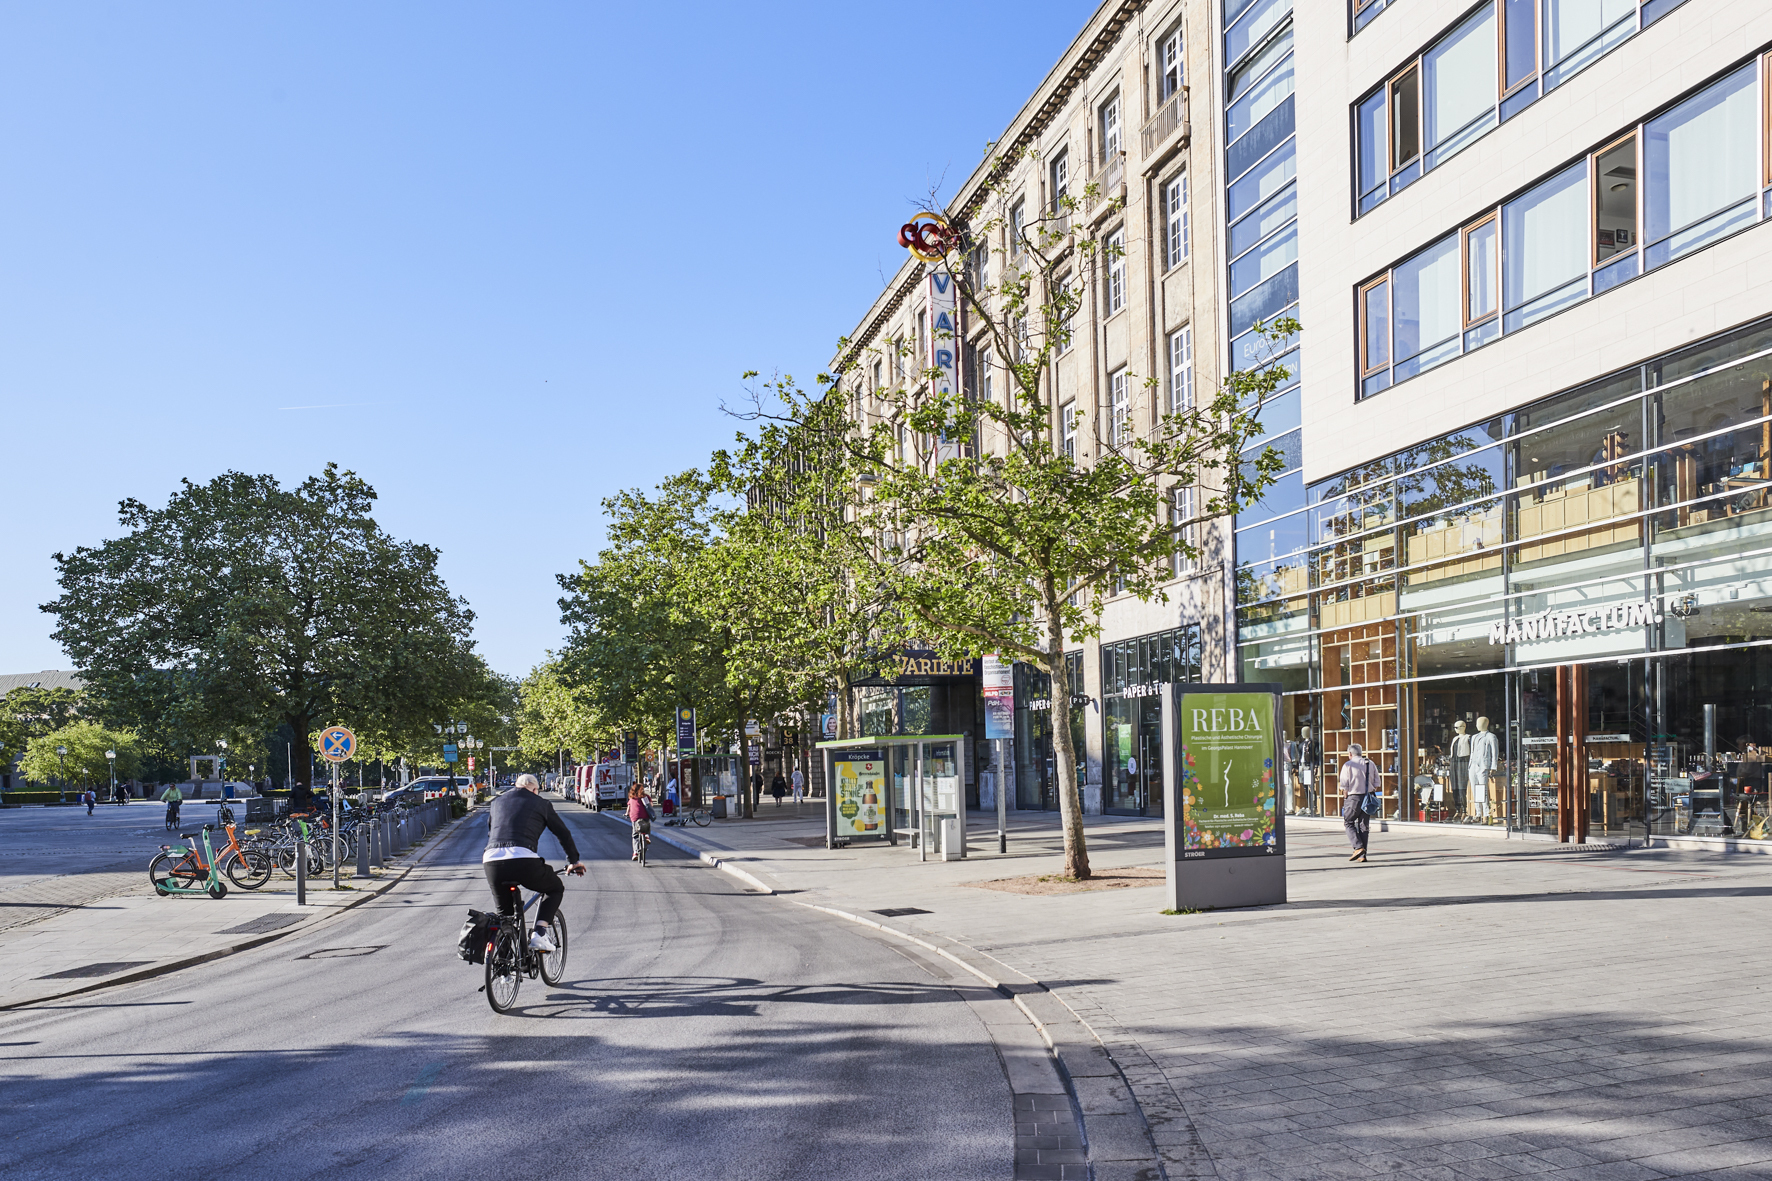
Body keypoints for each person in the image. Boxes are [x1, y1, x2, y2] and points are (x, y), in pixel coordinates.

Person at [483, 772, 585, 953]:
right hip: (523, 860)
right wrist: (573, 861)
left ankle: (502, 962)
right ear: (535, 790)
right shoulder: (541, 803)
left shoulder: (497, 802)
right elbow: (562, 833)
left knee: (504, 916)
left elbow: (491, 831)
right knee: (555, 888)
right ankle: (539, 932)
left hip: (492, 861)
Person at [1339, 744, 1379, 863]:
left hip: (1353, 797)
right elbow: (1377, 783)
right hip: (1368, 798)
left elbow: (1344, 785)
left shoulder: (1348, 765)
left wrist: (1345, 797)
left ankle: (1358, 847)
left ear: (1350, 754)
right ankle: (1362, 855)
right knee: (1363, 826)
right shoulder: (1370, 763)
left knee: (1348, 822)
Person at [626, 784, 653, 861]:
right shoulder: (646, 797)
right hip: (645, 817)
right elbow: (651, 805)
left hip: (635, 818)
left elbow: (628, 808)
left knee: (635, 835)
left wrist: (627, 814)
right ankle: (647, 836)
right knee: (647, 824)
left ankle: (635, 853)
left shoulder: (632, 798)